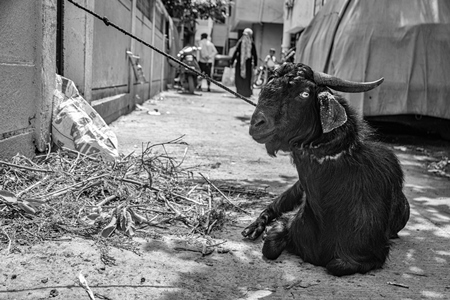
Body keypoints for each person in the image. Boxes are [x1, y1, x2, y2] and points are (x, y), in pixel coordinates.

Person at [231, 28, 258, 98]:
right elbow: (254, 55)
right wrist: (255, 64)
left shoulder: (240, 42)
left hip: (240, 64)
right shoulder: (251, 43)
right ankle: (245, 92)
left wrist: (232, 61)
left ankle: (240, 92)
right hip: (247, 64)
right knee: (247, 78)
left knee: (240, 77)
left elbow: (235, 52)